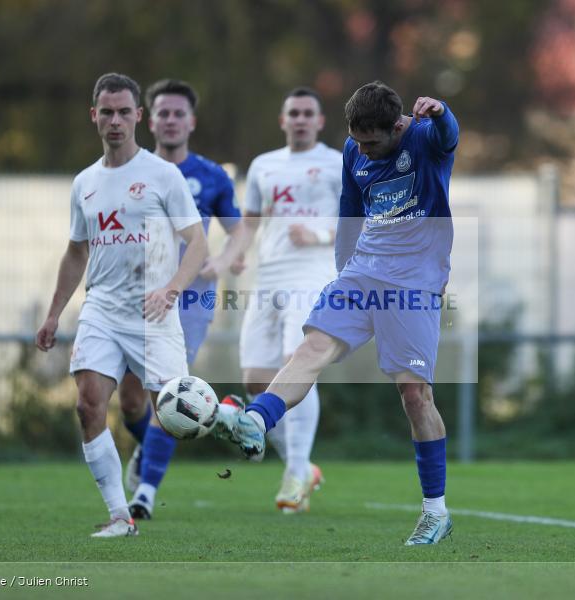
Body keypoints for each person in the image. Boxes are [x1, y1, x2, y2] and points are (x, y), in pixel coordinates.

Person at [215, 81, 459, 545]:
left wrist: (443, 111)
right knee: (313, 346)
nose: (363, 149)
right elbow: (350, 209)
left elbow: (449, 136)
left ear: (398, 126)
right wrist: (344, 273)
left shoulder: (424, 137)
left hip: (413, 283)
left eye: (372, 141)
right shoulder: (353, 149)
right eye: (357, 140)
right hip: (362, 272)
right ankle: (256, 420)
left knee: (414, 397)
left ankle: (435, 513)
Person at [35, 73, 207, 538]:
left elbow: (197, 244)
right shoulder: (85, 183)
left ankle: (225, 417)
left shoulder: (163, 175)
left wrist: (171, 288)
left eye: (124, 112)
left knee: (172, 416)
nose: (115, 121)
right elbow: (76, 251)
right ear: (94, 116)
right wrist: (53, 314)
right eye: (106, 112)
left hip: (154, 314)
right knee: (89, 405)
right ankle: (119, 515)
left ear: (139, 117)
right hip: (102, 309)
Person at [116, 79, 250, 520]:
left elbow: (239, 231)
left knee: (167, 392)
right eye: (163, 113)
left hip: (189, 300)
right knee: (132, 401)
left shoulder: (211, 176)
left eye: (178, 113)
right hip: (136, 297)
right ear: (147, 119)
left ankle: (145, 495)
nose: (170, 120)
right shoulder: (126, 171)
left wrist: (225, 260)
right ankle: (211, 421)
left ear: (191, 121)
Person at [239, 87, 342, 513]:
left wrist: (317, 235)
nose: (300, 119)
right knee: (253, 381)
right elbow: (249, 221)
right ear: (283, 121)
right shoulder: (263, 165)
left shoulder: (337, 163)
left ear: (319, 121)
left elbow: (362, 222)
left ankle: (296, 473)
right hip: (269, 277)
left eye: (307, 113)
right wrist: (233, 254)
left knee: (294, 362)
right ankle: (301, 465)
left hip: (313, 274)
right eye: (293, 113)